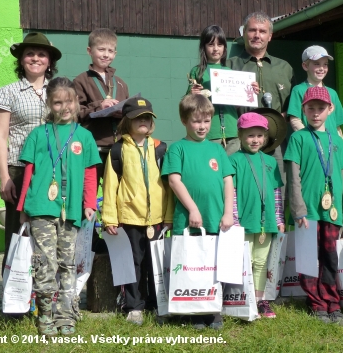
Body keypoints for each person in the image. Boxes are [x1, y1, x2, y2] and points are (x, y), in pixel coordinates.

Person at [16, 77, 101, 335]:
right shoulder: (38, 134)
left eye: (69, 101)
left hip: (71, 209)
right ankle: (45, 314)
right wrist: (22, 209)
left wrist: (89, 202)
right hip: (41, 207)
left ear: (76, 102)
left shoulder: (84, 136)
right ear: (49, 104)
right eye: (57, 102)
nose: (64, 107)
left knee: (67, 261)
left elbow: (90, 173)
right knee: (46, 262)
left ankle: (66, 314)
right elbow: (28, 173)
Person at [161, 94, 234, 330]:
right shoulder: (177, 149)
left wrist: (228, 212)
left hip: (216, 219)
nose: (202, 126)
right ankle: (193, 311)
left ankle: (213, 310)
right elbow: (174, 181)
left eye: (206, 121)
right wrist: (192, 208)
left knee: (214, 265)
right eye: (196, 121)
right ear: (184, 120)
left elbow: (227, 182)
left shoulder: (218, 150)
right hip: (188, 220)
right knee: (192, 266)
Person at [101, 97, 174, 325]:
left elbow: (169, 187)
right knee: (133, 264)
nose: (143, 121)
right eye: (137, 118)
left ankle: (157, 304)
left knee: (156, 264)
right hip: (130, 218)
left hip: (157, 219)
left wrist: (169, 216)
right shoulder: (117, 150)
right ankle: (134, 306)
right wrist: (110, 218)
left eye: (147, 118)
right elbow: (111, 187)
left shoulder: (160, 148)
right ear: (127, 121)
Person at [0, 32, 61, 276]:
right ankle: (13, 299)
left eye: (41, 54)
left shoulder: (60, 92)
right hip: (20, 171)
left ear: (49, 62)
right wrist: (4, 177)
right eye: (29, 54)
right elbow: (1, 137)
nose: (35, 58)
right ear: (21, 60)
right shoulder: (8, 92)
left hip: (54, 171)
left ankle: (45, 295)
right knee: (17, 233)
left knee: (52, 233)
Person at [284, 86, 343, 326]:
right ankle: (316, 303)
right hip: (307, 212)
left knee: (330, 258)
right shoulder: (298, 138)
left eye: (321, 108)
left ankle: (333, 303)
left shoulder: (337, 140)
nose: (315, 113)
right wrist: (298, 208)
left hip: (331, 212)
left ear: (330, 109)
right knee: (307, 259)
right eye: (310, 108)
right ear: (303, 110)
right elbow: (294, 177)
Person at [226, 12, 294, 186]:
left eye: (263, 31)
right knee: (240, 188)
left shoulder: (285, 68)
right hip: (241, 139)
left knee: (280, 188)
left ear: (270, 36)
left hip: (277, 140)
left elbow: (293, 105)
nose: (257, 35)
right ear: (244, 33)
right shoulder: (229, 66)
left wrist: (283, 117)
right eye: (252, 30)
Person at [229, 112, 285, 318]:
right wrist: (234, 218)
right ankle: (244, 298)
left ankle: (260, 300)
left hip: (267, 221)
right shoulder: (234, 160)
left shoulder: (270, 162)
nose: (255, 140)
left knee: (261, 262)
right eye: (250, 135)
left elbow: (276, 193)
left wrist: (279, 218)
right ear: (240, 135)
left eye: (260, 136)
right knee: (244, 261)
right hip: (244, 220)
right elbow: (231, 192)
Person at [73, 28, 130, 182]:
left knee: (116, 193)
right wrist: (100, 106)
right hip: (93, 147)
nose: (106, 54)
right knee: (87, 193)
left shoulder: (121, 83)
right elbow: (76, 113)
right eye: (101, 49)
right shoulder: (81, 80)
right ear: (89, 51)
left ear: (115, 54)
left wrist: (124, 113)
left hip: (118, 147)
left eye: (110, 51)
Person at [187, 25, 240, 155]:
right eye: (211, 44)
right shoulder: (197, 71)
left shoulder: (230, 72)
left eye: (220, 45)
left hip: (232, 129)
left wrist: (249, 92)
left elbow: (239, 103)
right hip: (211, 132)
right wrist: (192, 94)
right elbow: (186, 104)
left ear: (224, 48)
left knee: (231, 170)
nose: (216, 49)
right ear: (203, 47)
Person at [287, 46, 343, 137]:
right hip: (311, 146)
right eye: (317, 64)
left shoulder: (332, 93)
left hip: (332, 146)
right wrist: (310, 139)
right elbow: (295, 120)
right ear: (305, 66)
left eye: (325, 64)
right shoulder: (298, 90)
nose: (322, 68)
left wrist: (341, 146)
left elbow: (337, 126)